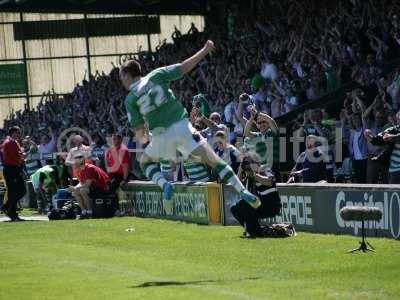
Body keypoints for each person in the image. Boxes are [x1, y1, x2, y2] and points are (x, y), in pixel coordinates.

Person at [119, 40, 260, 213]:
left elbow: (141, 135)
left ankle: (165, 186)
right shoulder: (156, 75)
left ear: (127, 75)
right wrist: (205, 49)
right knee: (215, 161)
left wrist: (148, 138)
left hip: (161, 135)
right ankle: (243, 190)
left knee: (145, 162)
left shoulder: (130, 99)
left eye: (122, 77)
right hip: (183, 127)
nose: (122, 82)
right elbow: (184, 67)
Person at [230, 153, 282, 238]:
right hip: (260, 204)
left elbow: (269, 182)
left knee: (244, 204)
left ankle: (256, 232)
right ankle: (253, 230)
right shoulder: (249, 175)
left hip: (271, 204)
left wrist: (255, 175)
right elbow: (238, 185)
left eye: (249, 163)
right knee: (234, 208)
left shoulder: (264, 168)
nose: (248, 166)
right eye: (246, 164)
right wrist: (241, 169)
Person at [244, 105, 281, 181]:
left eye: (264, 122)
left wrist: (260, 114)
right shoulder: (257, 135)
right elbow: (246, 132)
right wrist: (252, 117)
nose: (261, 124)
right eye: (259, 123)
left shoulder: (272, 132)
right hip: (261, 170)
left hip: (274, 168)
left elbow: (272, 122)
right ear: (257, 125)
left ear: (267, 123)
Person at [68, 153, 110, 219]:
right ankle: (84, 212)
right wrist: (74, 188)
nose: (74, 163)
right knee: (75, 192)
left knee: (82, 190)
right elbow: (81, 183)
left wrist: (76, 187)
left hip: (101, 187)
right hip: (92, 187)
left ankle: (90, 212)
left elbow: (87, 184)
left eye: (75, 161)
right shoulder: (80, 170)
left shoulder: (90, 168)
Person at [1, 126, 26, 221]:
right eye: (17, 132)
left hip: (13, 168)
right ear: (13, 133)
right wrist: (22, 156)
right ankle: (11, 212)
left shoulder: (12, 142)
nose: (19, 134)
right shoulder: (10, 142)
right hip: (11, 169)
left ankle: (8, 208)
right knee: (17, 191)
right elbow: (17, 157)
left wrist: (21, 156)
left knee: (17, 191)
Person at [105, 133, 130, 211]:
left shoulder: (123, 150)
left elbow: (126, 166)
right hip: (112, 174)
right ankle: (110, 208)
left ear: (120, 140)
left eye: (115, 139)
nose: (113, 140)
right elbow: (108, 163)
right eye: (112, 139)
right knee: (104, 186)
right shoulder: (110, 150)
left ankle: (116, 209)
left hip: (120, 174)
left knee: (112, 188)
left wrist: (125, 179)